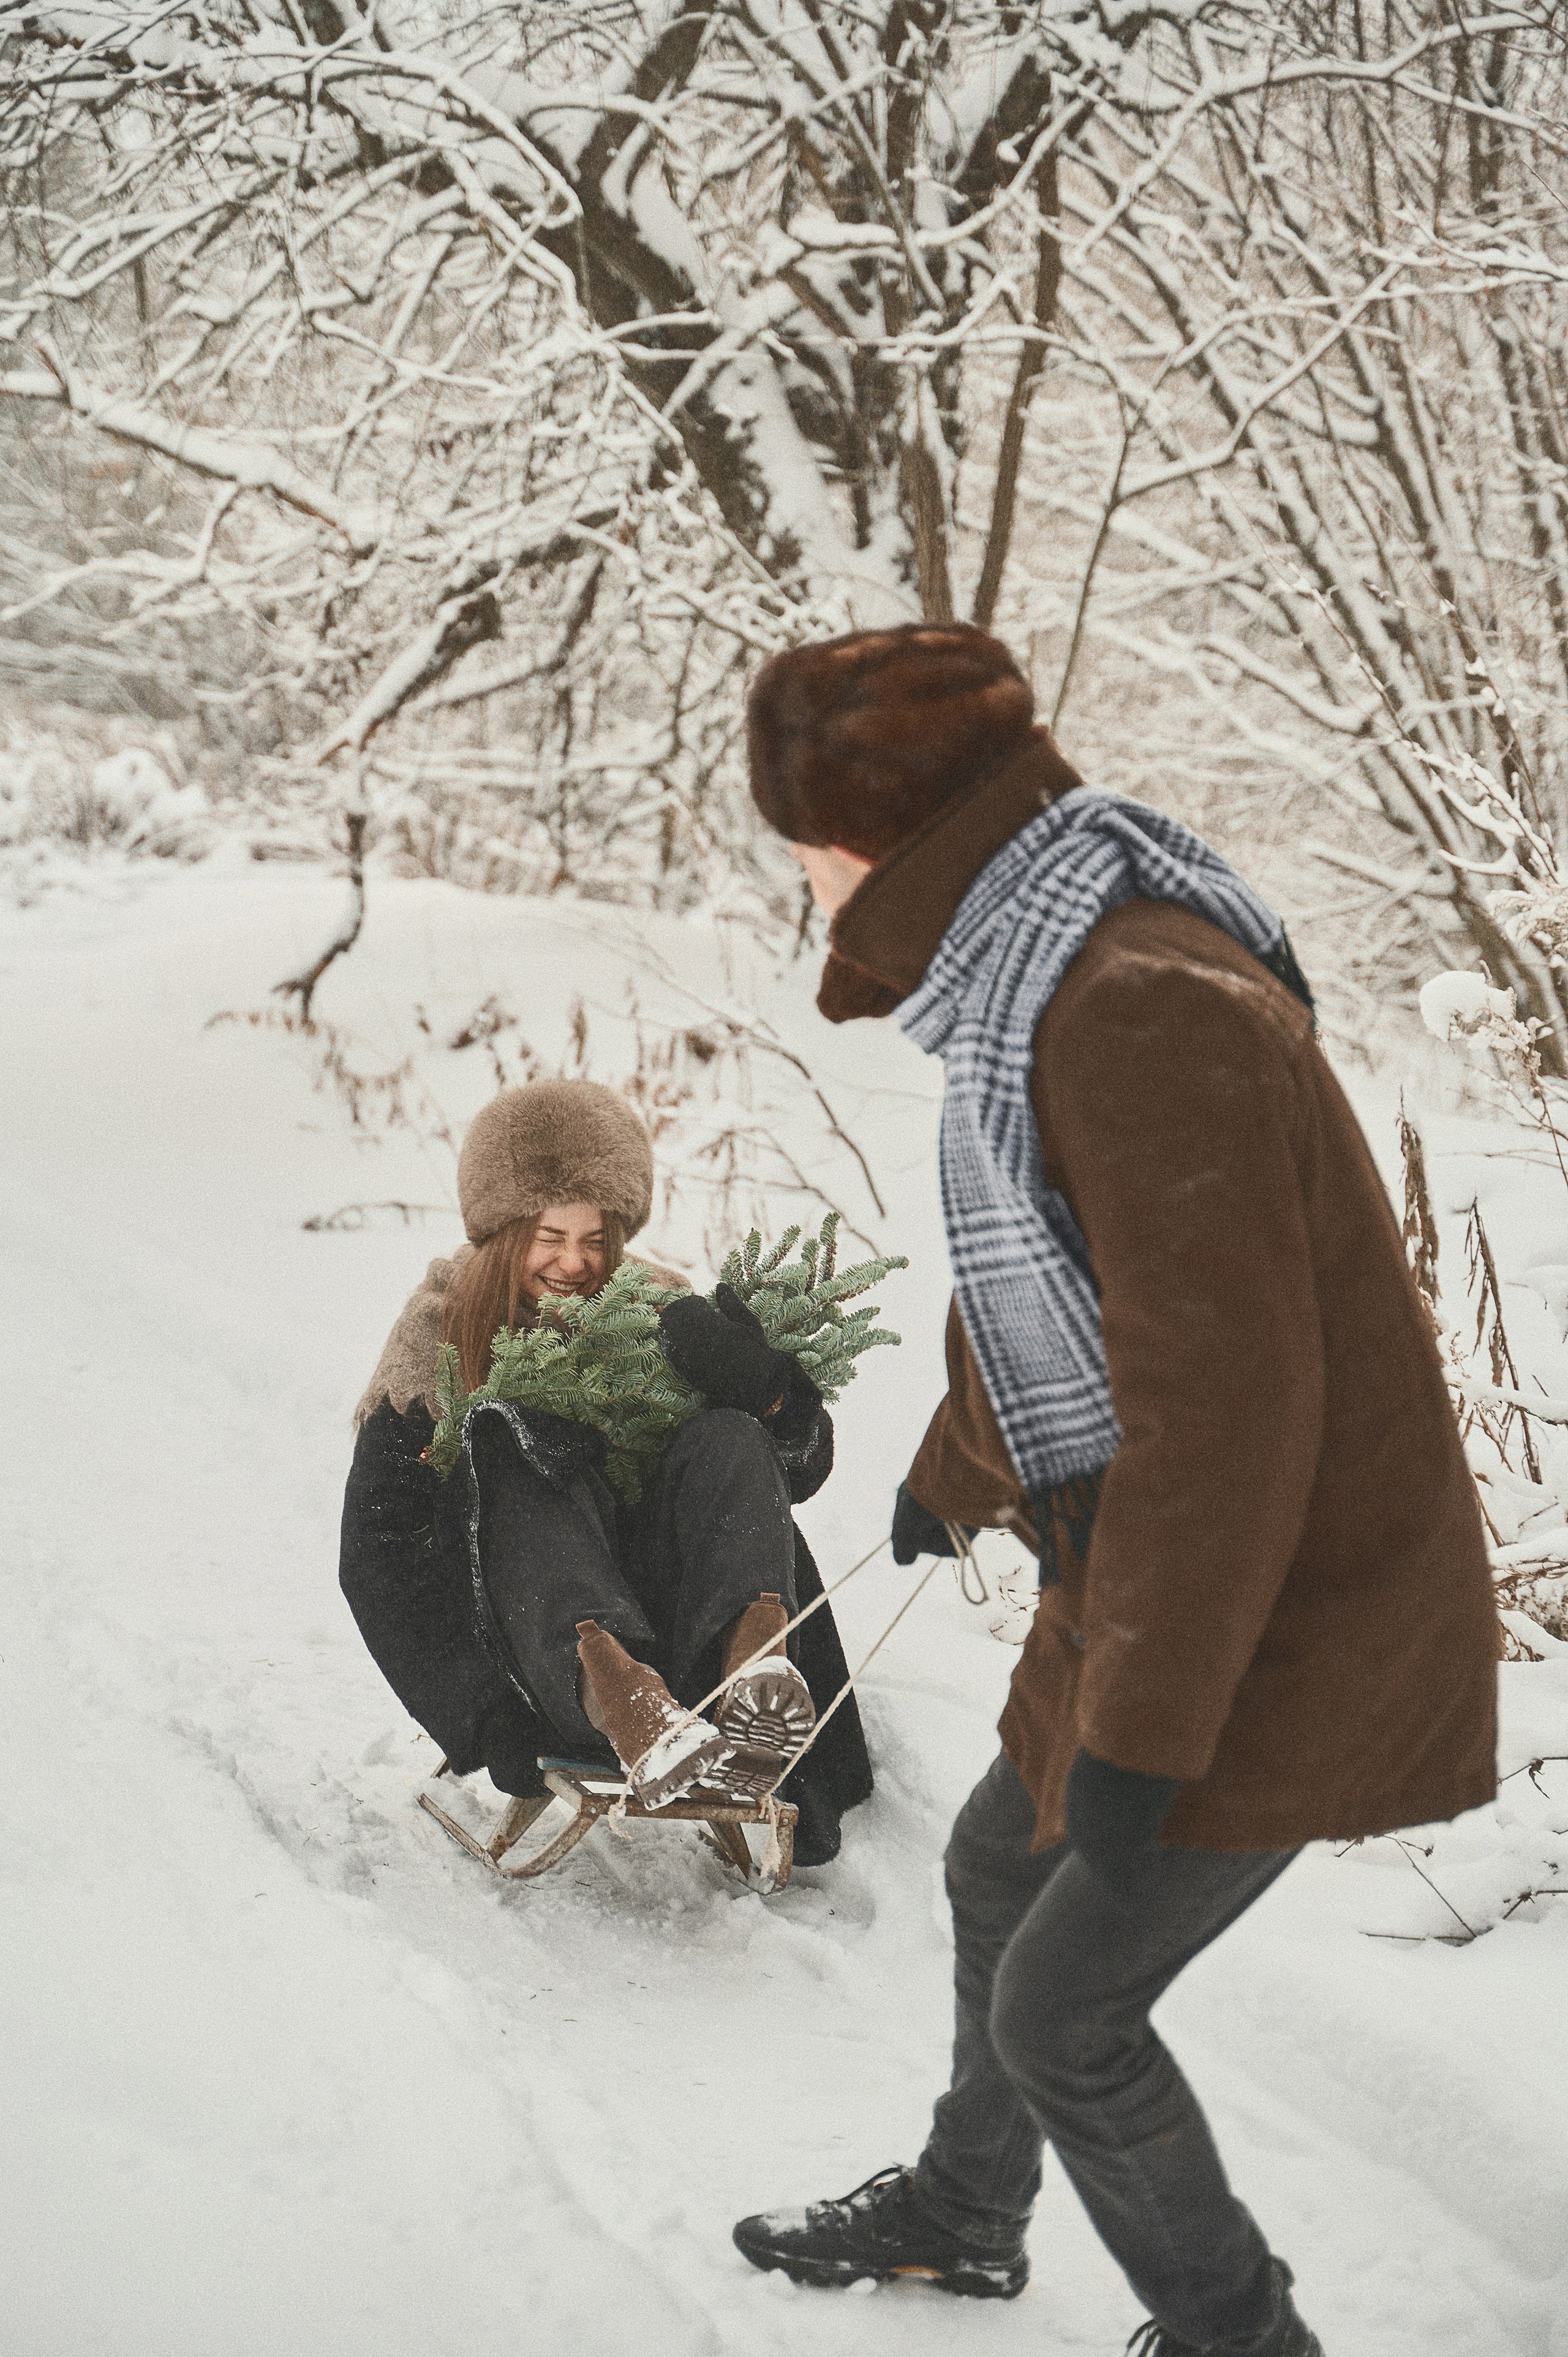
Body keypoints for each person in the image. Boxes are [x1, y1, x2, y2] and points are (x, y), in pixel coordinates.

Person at [729, 625, 1497, 2351]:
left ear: (887, 838)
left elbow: (1221, 1419)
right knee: (997, 1869)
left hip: (1275, 1621)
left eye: (809, 844)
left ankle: (1239, 2336)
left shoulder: (1132, 1005)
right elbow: (1074, 1290)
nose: (802, 880)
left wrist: (1143, 1735)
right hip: (1150, 1587)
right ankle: (966, 2210)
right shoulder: (1053, 959)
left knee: (1064, 2014)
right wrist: (955, 1468)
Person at [339, 1078, 872, 1861]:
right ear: (503, 1230)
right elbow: (379, 1551)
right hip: (539, 1659)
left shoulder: (656, 1308)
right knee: (514, 1436)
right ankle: (621, 1695)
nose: (575, 1261)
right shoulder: (438, 1335)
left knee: (726, 1436)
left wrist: (768, 1395)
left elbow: (788, 1478)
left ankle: (754, 1681)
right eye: (549, 1235)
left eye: (596, 1237)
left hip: (685, 1644)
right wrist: (489, 1722)